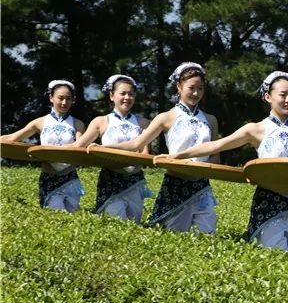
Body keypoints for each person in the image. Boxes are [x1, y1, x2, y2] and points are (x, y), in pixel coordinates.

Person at [154, 71, 288, 251]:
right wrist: (177, 156)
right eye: (283, 95)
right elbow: (216, 146)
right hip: (269, 201)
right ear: (268, 97)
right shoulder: (256, 129)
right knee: (278, 254)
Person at [92, 62, 220, 233]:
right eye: (192, 88)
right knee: (174, 239)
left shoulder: (211, 120)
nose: (196, 93)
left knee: (207, 237)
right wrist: (104, 148)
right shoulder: (165, 117)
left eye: (201, 88)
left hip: (202, 188)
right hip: (175, 184)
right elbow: (136, 144)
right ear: (179, 86)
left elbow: (216, 157)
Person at [74, 74, 153, 222]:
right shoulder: (101, 121)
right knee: (115, 223)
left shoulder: (143, 123)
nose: (127, 97)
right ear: (112, 95)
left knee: (134, 226)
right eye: (122, 93)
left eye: (131, 94)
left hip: (134, 181)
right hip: (110, 180)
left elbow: (145, 153)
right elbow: (79, 145)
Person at [1, 80, 86, 212]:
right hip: (49, 176)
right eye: (60, 98)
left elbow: (80, 148)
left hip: (70, 177)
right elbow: (13, 138)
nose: (64, 103)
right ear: (51, 98)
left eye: (68, 99)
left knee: (74, 216)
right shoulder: (40, 122)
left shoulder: (78, 124)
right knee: (55, 216)